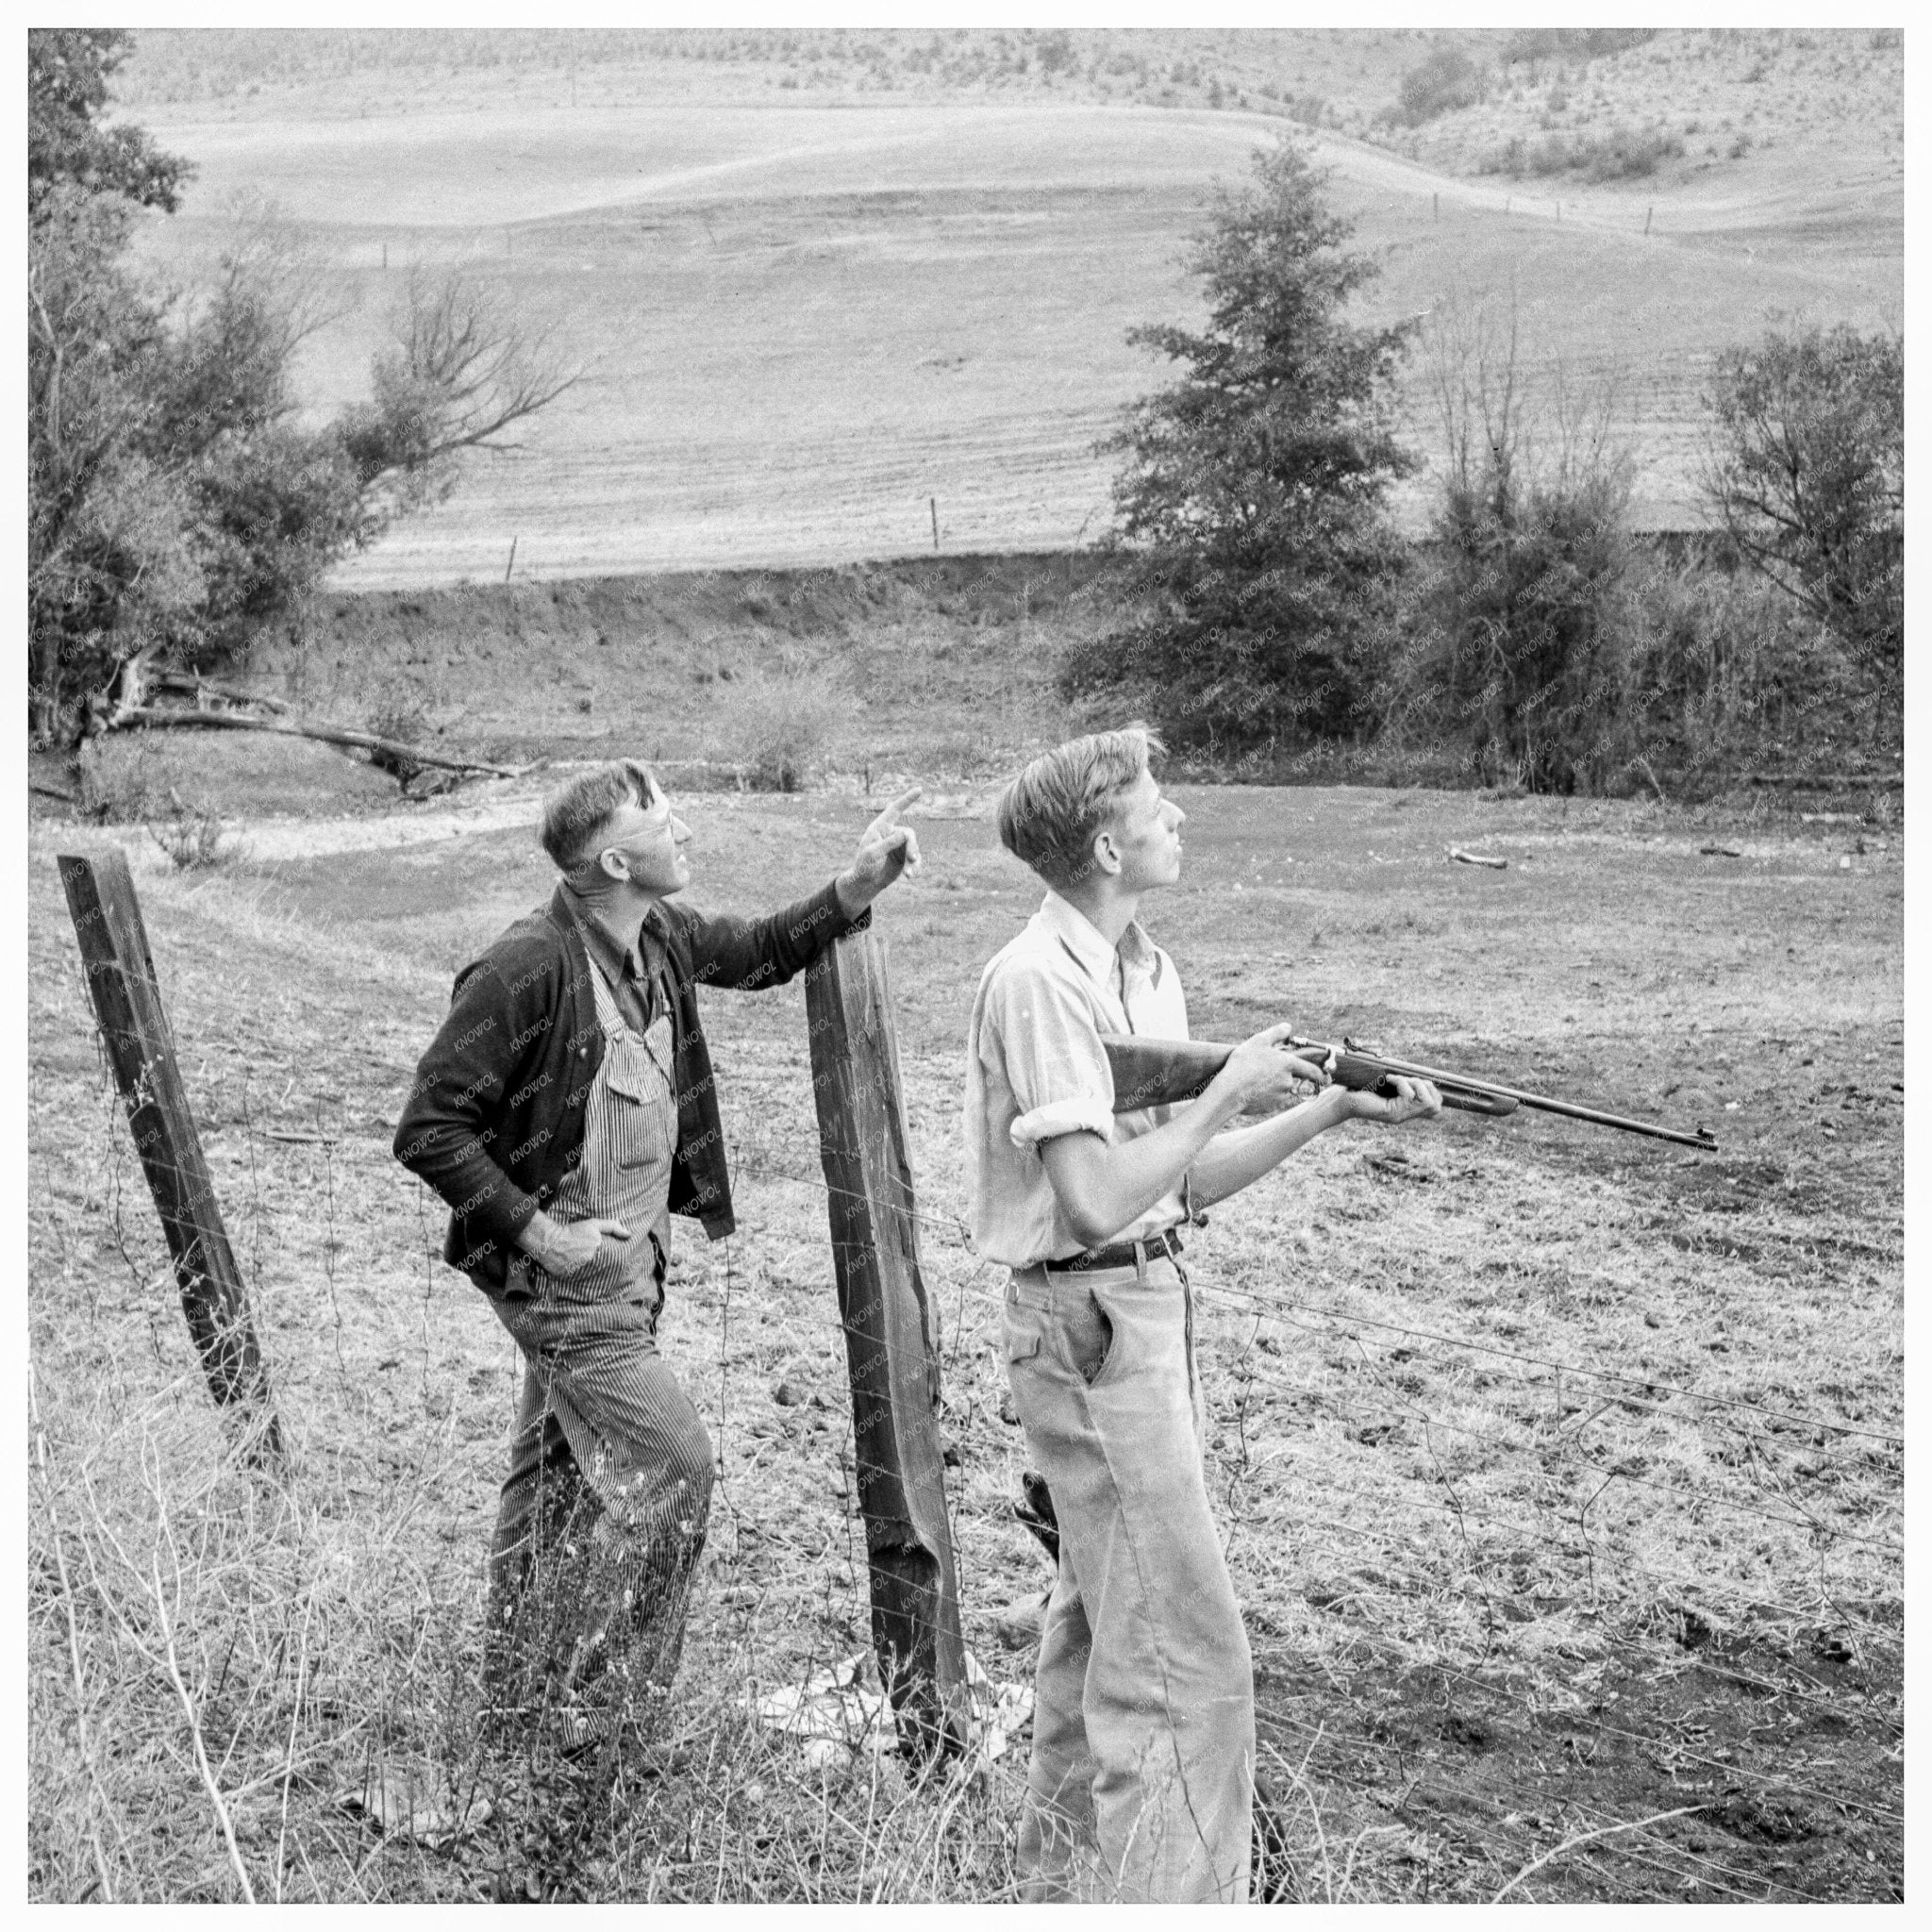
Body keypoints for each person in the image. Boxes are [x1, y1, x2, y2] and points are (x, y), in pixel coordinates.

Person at [965, 726, 1441, 1902]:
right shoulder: (1039, 980)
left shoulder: (1141, 967)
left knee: (1097, 1635)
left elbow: (1174, 1181)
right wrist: (1225, 1086)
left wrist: (1326, 1110)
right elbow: (1090, 1199)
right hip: (1089, 1320)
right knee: (1186, 1666)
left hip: (1140, 1303)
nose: (1175, 815)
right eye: (1154, 801)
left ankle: (1059, 1893)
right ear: (1102, 845)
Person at [394, 758, 921, 1748]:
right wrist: (541, 1233)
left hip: (632, 1271)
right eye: (661, 819)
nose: (683, 830)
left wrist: (854, 887)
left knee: (553, 1480)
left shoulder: (659, 935)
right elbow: (429, 1128)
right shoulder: (525, 968)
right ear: (613, 860)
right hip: (563, 1283)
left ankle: (514, 1710)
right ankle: (608, 1723)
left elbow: (758, 950)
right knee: (676, 1466)